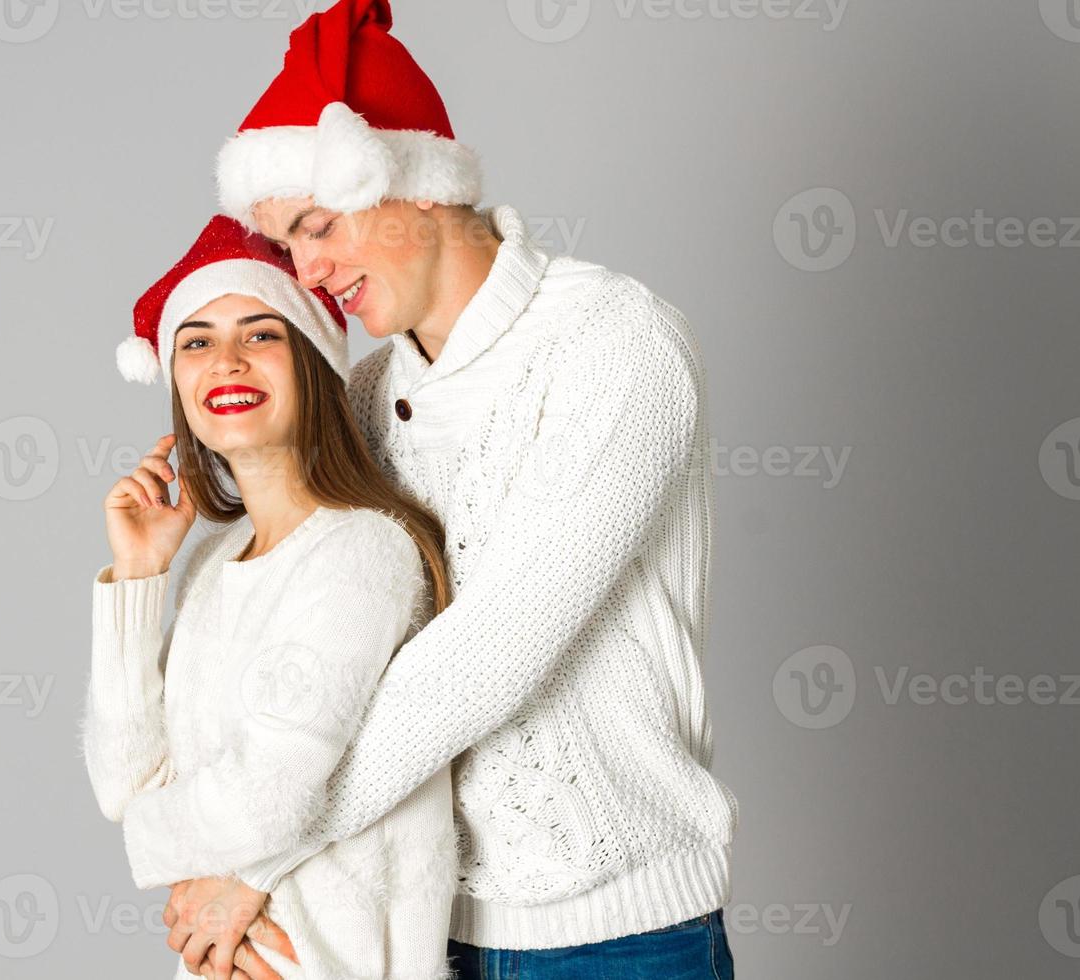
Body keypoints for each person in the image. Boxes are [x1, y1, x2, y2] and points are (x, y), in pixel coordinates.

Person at [161, 2, 740, 978]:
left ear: (418, 184)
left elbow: (492, 650)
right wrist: (143, 579)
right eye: (286, 244)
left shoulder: (613, 345)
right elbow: (284, 650)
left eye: (317, 226)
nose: (308, 272)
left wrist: (259, 852)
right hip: (416, 932)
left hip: (616, 940)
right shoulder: (365, 400)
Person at [82, 214, 461, 980]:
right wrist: (138, 576)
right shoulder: (212, 567)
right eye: (195, 341)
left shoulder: (362, 550)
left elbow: (266, 800)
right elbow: (125, 781)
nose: (225, 361)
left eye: (260, 335)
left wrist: (155, 842)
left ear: (314, 364)